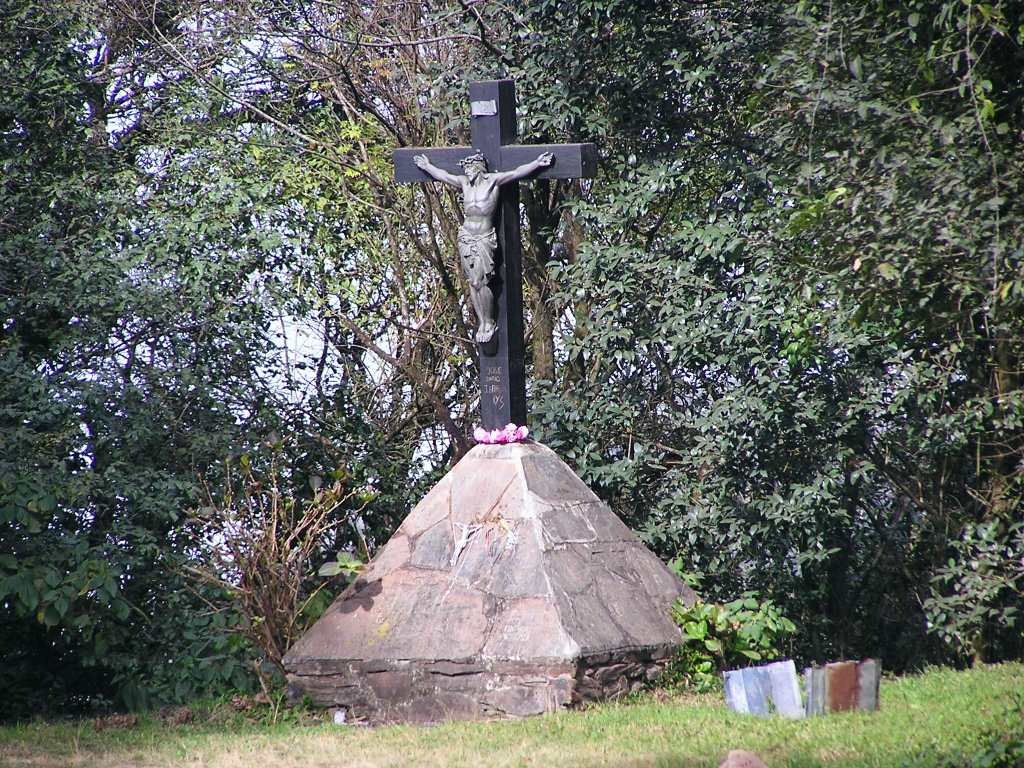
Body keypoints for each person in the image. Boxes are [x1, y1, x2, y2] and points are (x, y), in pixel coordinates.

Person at [413, 150, 553, 344]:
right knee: (472, 281)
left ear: (479, 168)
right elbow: (444, 176)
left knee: (481, 281)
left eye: (470, 168)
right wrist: (427, 166)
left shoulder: (493, 181)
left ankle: (489, 322)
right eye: (465, 168)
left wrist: (537, 163)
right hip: (466, 236)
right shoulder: (464, 183)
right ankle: (482, 322)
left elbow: (517, 172)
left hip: (484, 236)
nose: (467, 171)